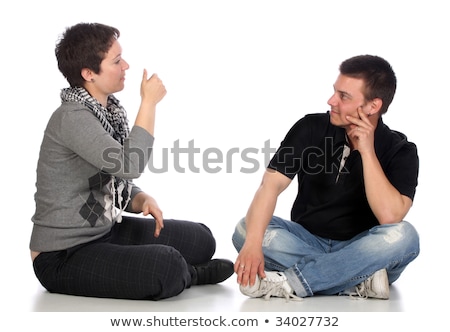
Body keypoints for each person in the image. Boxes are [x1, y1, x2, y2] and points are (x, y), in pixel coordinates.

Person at [30, 22, 234, 301]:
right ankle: (190, 274)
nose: (126, 65)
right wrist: (148, 104)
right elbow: (129, 165)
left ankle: (179, 268)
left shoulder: (107, 112)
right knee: (167, 267)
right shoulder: (73, 117)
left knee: (201, 239)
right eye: (116, 61)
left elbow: (106, 178)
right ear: (88, 73)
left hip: (105, 231)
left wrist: (138, 198)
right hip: (64, 255)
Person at [232, 55, 420, 300]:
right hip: (306, 239)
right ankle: (356, 281)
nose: (331, 101)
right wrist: (253, 243)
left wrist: (367, 151)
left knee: (405, 236)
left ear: (373, 106)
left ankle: (292, 282)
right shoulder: (309, 127)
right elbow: (270, 185)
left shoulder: (401, 150)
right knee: (245, 229)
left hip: (365, 246)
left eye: (344, 97)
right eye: (335, 92)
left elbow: (390, 217)